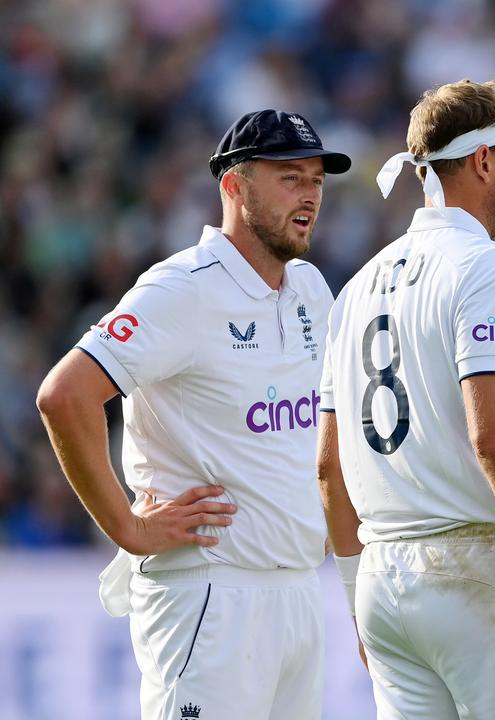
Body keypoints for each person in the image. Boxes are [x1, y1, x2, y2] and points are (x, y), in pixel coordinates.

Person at [35, 110, 350, 719]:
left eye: (316, 179)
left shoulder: (312, 288)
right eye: (289, 177)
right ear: (234, 186)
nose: (310, 194)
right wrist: (128, 528)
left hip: (299, 593)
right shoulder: (182, 287)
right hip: (210, 594)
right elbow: (64, 396)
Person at [316, 79, 495, 719]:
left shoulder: (355, 288)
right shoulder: (491, 267)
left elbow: (328, 466)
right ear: (484, 161)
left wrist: (355, 601)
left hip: (382, 583)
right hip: (475, 569)